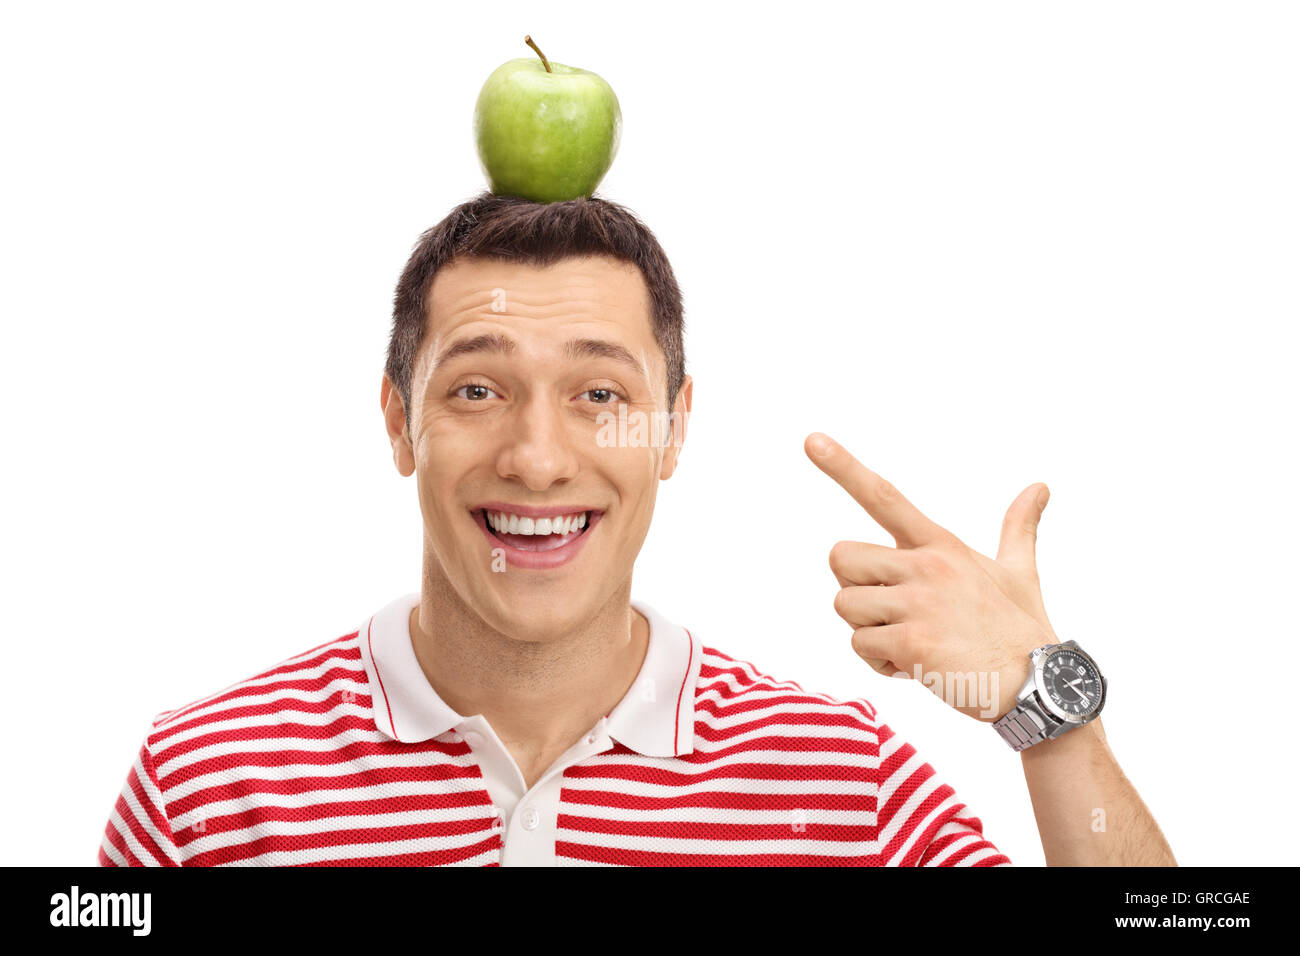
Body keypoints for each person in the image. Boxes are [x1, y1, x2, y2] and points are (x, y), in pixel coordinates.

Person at [98, 192, 1175, 866]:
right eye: (475, 390)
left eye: (600, 396)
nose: (537, 455)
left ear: (673, 429)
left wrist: (1049, 709)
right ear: (398, 421)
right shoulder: (203, 782)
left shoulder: (840, 780)